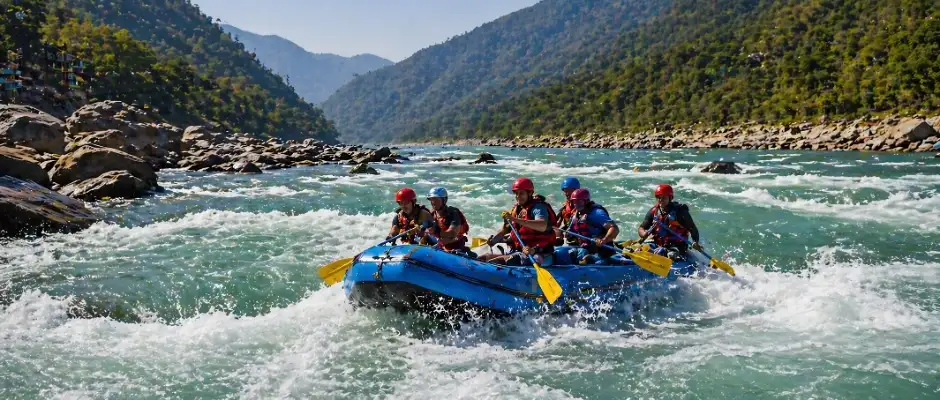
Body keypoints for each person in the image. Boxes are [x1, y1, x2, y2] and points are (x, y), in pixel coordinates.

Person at [480, 178, 558, 266]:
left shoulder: (538, 208)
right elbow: (505, 230)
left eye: (521, 193)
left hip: (539, 252)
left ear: (529, 193)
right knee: (484, 257)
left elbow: (542, 225)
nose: (518, 196)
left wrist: (514, 219)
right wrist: (494, 240)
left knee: (502, 261)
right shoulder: (516, 209)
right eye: (516, 193)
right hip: (520, 250)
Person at [637, 184, 703, 260]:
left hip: (677, 246)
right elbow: (641, 227)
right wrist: (643, 234)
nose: (660, 200)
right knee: (640, 249)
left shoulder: (680, 212)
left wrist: (695, 242)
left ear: (670, 198)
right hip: (658, 244)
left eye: (664, 197)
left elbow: (692, 228)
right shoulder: (654, 211)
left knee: (669, 254)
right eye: (659, 197)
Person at [564, 188, 620, 264]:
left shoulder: (597, 213)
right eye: (574, 201)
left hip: (601, 249)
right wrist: (567, 234)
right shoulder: (576, 215)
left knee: (588, 259)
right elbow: (571, 231)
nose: (576, 204)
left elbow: (614, 228)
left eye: (579, 201)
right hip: (585, 248)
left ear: (586, 201)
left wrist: (604, 240)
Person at [423, 186, 473, 255]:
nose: (433, 202)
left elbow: (452, 233)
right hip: (440, 246)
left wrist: (436, 231)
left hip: (455, 248)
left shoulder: (453, 213)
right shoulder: (432, 214)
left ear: (444, 200)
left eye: (436, 200)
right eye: (431, 200)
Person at [555, 176, 581, 246]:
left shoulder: (583, 208)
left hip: (582, 240)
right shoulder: (564, 208)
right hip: (570, 240)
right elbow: (556, 224)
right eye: (565, 191)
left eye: (570, 191)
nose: (567, 193)